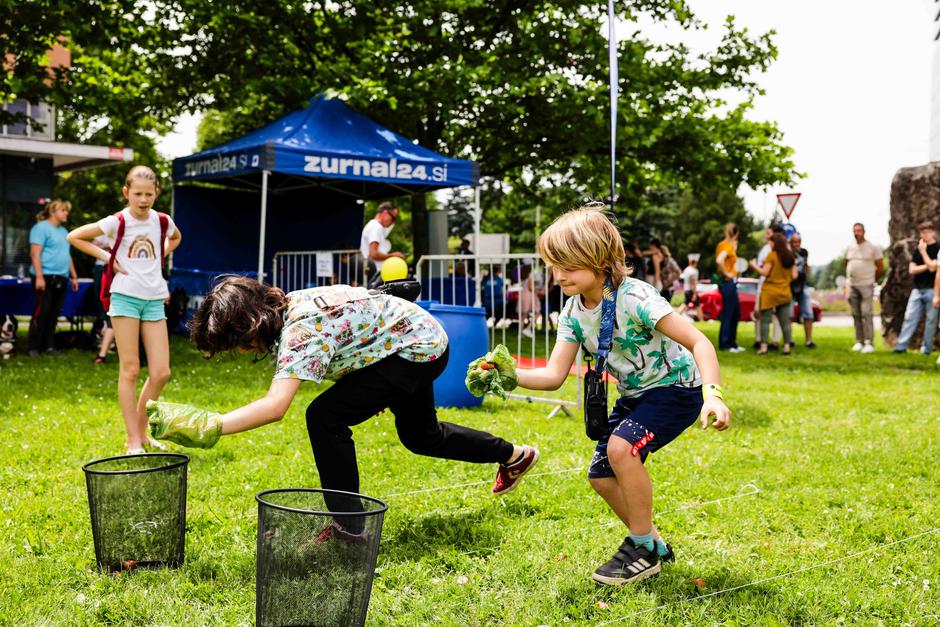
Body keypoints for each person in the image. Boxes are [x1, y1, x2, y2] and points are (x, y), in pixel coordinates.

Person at [155, 277, 539, 531]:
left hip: (415, 349)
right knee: (422, 436)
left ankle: (348, 527)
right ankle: (514, 455)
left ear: (251, 324)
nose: (241, 352)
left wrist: (210, 424)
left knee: (324, 417)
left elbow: (275, 407)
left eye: (237, 343)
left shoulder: (301, 332)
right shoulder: (291, 305)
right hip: (416, 338)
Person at [500, 206, 730, 586]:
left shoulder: (636, 297)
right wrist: (509, 375)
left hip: (677, 389)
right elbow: (554, 375)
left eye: (568, 266)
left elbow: (699, 342)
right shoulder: (572, 312)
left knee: (621, 449)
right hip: (635, 395)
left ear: (601, 260)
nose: (559, 275)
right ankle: (654, 544)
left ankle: (640, 548)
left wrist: (714, 395)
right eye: (553, 266)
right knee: (601, 476)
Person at [68, 165, 182, 453]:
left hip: (154, 298)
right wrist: (108, 257)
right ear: (126, 192)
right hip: (125, 297)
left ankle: (142, 433)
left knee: (161, 372)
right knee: (130, 369)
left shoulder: (163, 221)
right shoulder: (117, 221)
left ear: (157, 192)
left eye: (148, 194)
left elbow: (176, 238)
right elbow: (75, 236)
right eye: (137, 194)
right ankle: (133, 439)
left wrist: (159, 255)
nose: (143, 200)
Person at [27, 199, 79, 357]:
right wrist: (39, 277)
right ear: (52, 211)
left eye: (67, 210)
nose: (66, 213)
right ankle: (34, 347)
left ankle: (49, 346)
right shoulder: (40, 228)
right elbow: (34, 254)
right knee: (42, 312)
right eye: (63, 210)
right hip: (45, 276)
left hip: (62, 277)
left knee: (54, 313)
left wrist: (74, 276)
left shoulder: (64, 232)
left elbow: (67, 255)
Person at [893, 220, 939, 354]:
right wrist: (929, 264)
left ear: (933, 232)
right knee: (909, 317)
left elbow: (934, 269)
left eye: (927, 232)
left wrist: (925, 254)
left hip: (932, 289)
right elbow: (912, 269)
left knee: (931, 320)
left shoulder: (937, 248)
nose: (925, 235)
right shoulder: (917, 250)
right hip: (917, 289)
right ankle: (901, 346)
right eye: (923, 232)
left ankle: (926, 348)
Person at [750, 233, 797, 355]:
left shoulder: (772, 256)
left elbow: (764, 272)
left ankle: (764, 347)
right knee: (784, 322)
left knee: (765, 320)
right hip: (784, 292)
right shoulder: (790, 257)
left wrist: (754, 265)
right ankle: (787, 347)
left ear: (775, 243)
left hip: (769, 292)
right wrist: (784, 280)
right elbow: (794, 275)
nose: (769, 244)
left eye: (770, 242)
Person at [845, 222, 883, 354]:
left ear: (864, 231)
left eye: (859, 230)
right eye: (855, 231)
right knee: (855, 314)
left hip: (866, 283)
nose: (856, 233)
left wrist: (872, 279)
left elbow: (880, 266)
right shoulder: (850, 247)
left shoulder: (873, 247)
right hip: (852, 284)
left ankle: (869, 342)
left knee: (866, 313)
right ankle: (859, 341)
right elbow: (846, 263)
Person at [753, 224, 785, 348]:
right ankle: (774, 340)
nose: (766, 234)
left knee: (761, 314)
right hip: (779, 287)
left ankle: (761, 341)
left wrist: (753, 265)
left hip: (766, 286)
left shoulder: (769, 250)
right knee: (775, 315)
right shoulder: (784, 250)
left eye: (769, 232)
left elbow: (763, 270)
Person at [360, 201, 405, 288]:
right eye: (392, 218)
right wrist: (393, 255)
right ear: (384, 212)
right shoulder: (376, 227)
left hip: (374, 274)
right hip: (375, 276)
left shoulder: (375, 226)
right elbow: (374, 254)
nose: (393, 222)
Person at [715, 223, 745, 352]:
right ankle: (725, 344)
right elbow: (719, 260)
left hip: (730, 283)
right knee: (729, 313)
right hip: (728, 282)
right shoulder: (727, 245)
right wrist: (727, 274)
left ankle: (732, 343)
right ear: (736, 234)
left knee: (735, 313)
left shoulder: (723, 245)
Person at [91, 233, 116, 363]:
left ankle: (106, 348)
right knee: (104, 307)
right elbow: (92, 245)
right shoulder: (105, 229)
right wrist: (107, 245)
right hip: (103, 268)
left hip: (117, 270)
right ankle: (103, 344)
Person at [788, 233, 816, 349]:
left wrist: (805, 274)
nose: (796, 244)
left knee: (808, 313)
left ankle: (808, 341)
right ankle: (789, 340)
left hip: (802, 285)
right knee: (789, 314)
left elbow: (805, 266)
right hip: (789, 286)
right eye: (794, 242)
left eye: (798, 242)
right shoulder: (787, 253)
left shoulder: (804, 252)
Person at [677, 254, 701, 320]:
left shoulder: (686, 269)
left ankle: (676, 315)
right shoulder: (694, 271)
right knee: (698, 305)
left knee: (685, 304)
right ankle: (701, 320)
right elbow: (693, 283)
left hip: (686, 289)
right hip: (691, 290)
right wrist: (695, 293)